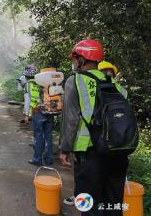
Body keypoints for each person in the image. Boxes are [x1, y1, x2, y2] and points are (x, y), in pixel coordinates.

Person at [60, 39, 129, 215]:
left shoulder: (74, 82)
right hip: (118, 153)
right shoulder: (116, 85)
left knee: (88, 203)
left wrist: (65, 149)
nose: (73, 62)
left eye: (74, 58)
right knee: (113, 204)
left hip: (90, 153)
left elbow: (71, 120)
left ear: (82, 59)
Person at [26, 66, 54, 166]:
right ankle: (49, 159)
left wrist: (27, 114)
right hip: (50, 111)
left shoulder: (32, 83)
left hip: (38, 111)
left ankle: (37, 159)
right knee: (48, 136)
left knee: (38, 136)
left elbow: (29, 99)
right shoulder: (51, 83)